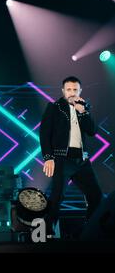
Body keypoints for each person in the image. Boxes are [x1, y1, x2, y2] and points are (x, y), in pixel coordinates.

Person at [40, 76, 103, 238]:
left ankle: (88, 230)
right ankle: (45, 230)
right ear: (63, 91)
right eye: (69, 89)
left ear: (80, 91)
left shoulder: (84, 108)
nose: (72, 93)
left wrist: (83, 112)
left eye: (75, 89)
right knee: (57, 196)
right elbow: (44, 134)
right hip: (62, 158)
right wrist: (48, 157)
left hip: (81, 160)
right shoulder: (54, 107)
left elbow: (92, 131)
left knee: (96, 196)